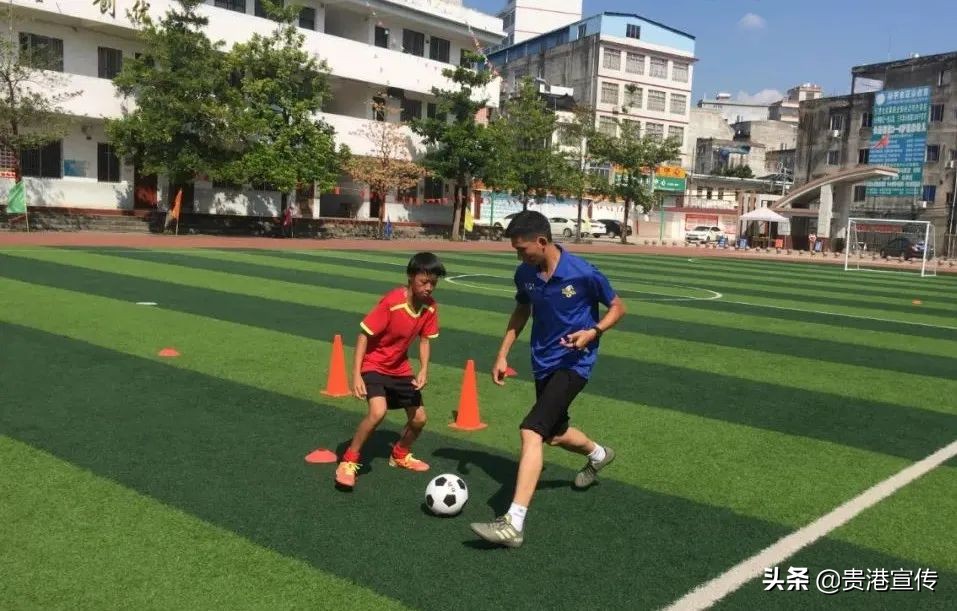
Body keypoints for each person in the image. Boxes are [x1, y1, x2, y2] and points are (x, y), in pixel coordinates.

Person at [469, 210, 626, 548]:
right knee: (555, 433)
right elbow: (522, 311)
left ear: (542, 242)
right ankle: (599, 455)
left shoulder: (582, 272)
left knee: (532, 430)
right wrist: (502, 353)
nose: (519, 255)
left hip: (576, 361)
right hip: (542, 362)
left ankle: (513, 522)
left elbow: (617, 307)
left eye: (522, 249)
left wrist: (593, 332)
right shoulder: (524, 273)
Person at [334, 252, 446, 490]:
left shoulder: (430, 308)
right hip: (374, 364)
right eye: (423, 282)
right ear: (410, 277)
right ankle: (348, 461)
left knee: (419, 419)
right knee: (378, 412)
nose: (428, 288)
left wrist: (424, 369)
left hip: (400, 368)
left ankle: (399, 454)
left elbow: (425, 341)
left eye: (433, 283)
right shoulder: (392, 302)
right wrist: (355, 375)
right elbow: (364, 335)